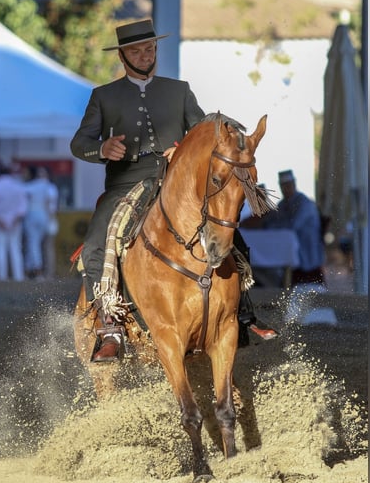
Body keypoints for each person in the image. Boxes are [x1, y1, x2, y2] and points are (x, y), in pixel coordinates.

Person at [71, 19, 274, 362]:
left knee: (228, 230)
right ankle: (109, 327)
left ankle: (242, 314)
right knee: (95, 243)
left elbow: (202, 131)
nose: (146, 56)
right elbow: (80, 143)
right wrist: (102, 150)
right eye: (137, 51)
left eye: (150, 49)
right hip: (125, 185)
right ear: (122, 56)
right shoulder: (102, 96)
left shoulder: (179, 90)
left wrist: (181, 148)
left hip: (174, 180)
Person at [263, 169, 326, 286]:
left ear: (294, 184)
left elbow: (293, 226)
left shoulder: (304, 203)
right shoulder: (282, 204)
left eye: (288, 185)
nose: (285, 188)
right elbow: (270, 223)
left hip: (306, 253)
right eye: (283, 185)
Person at [0, 163, 28, 281]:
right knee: (15, 249)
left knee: (1, 249)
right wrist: (14, 220)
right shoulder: (18, 186)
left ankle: (1, 277)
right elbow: (23, 207)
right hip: (15, 222)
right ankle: (18, 277)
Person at [23, 167, 59, 279]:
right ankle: (31, 270)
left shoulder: (35, 186)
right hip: (44, 218)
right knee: (37, 245)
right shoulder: (48, 186)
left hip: (37, 217)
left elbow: (51, 205)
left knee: (36, 245)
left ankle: (39, 271)